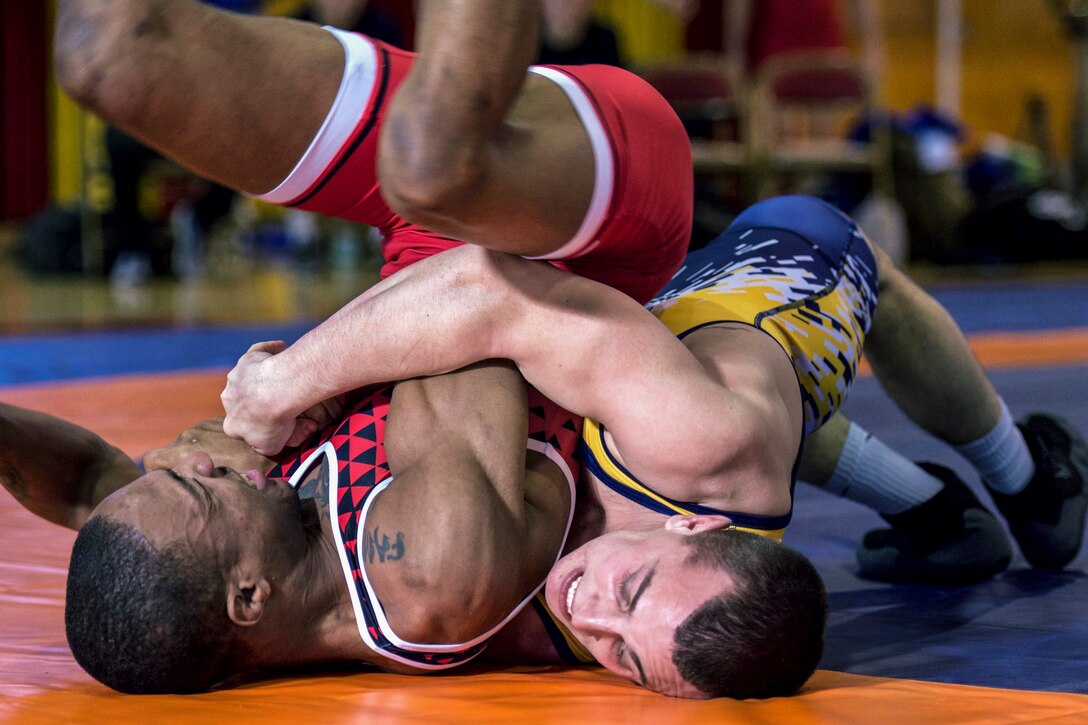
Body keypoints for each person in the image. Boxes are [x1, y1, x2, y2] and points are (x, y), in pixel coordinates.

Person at [224, 195, 1088, 590]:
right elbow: (478, 289)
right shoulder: (688, 446)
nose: (596, 617)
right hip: (731, 357)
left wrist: (293, 378)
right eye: (627, 615)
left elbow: (475, 291)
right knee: (824, 237)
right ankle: (1021, 480)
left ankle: (951, 504)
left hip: (693, 392)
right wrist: (288, 378)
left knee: (699, 407)